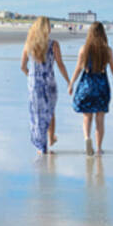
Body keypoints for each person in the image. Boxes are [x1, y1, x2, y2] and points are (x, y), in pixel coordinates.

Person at [69, 21, 113, 155]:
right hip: (102, 85)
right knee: (100, 119)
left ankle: (87, 138)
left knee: (87, 116)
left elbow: (78, 68)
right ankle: (98, 148)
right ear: (103, 33)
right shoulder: (107, 50)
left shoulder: (84, 49)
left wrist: (71, 83)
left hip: (87, 84)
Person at [20, 16, 71, 153]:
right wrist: (68, 81)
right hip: (49, 83)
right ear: (46, 28)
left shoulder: (29, 44)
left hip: (34, 84)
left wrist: (30, 76)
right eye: (49, 26)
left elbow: (22, 66)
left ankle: (41, 145)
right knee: (50, 111)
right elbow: (60, 64)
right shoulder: (53, 44)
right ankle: (50, 138)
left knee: (37, 113)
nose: (50, 28)